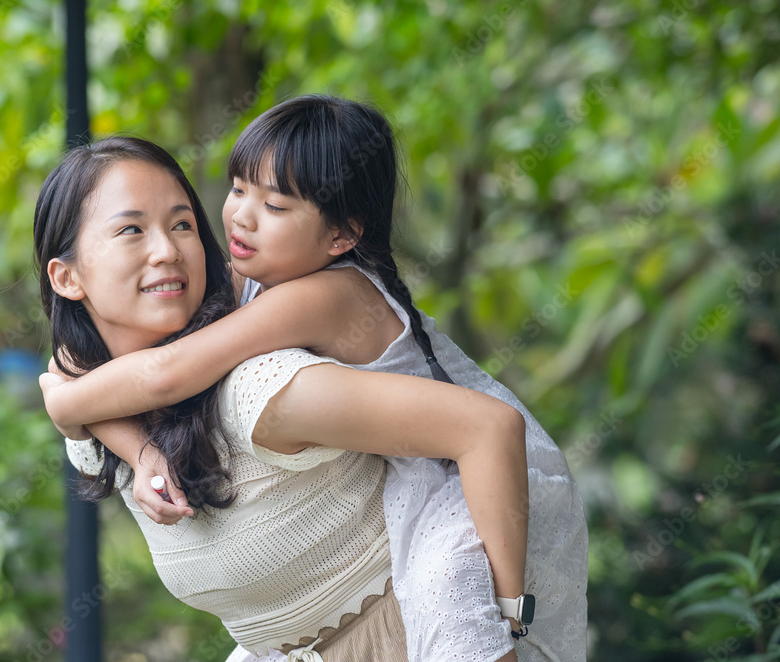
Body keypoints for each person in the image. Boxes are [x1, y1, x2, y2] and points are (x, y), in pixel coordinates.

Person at [42, 97, 588, 660]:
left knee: (456, 606)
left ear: (341, 236)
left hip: (474, 477)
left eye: (275, 205)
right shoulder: (245, 278)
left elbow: (158, 375)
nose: (240, 218)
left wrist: (66, 411)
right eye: (236, 189)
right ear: (66, 276)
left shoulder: (321, 296)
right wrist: (137, 450)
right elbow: (67, 369)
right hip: (419, 457)